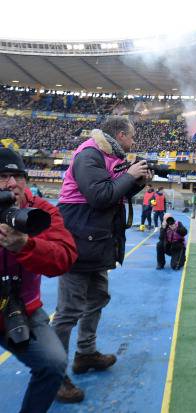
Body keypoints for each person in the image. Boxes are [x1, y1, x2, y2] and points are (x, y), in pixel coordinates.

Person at [51, 116, 153, 402]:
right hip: (77, 242)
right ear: (120, 135)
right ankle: (54, 376)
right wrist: (130, 175)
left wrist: (136, 181)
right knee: (68, 312)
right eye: (131, 138)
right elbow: (98, 196)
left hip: (95, 243)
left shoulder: (105, 156)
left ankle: (85, 354)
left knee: (97, 298)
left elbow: (113, 193)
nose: (133, 143)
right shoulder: (89, 155)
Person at [0, 148, 78, 413]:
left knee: (54, 363)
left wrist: (25, 244)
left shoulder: (41, 211)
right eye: (2, 177)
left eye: (17, 176)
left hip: (22, 308)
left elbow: (64, 257)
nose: (11, 184)